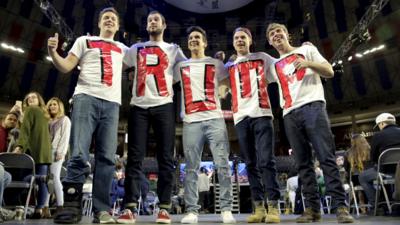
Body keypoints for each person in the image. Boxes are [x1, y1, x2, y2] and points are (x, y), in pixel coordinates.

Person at [266, 23, 354, 223]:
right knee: (303, 163)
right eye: (271, 34)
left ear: (287, 34)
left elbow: (329, 71)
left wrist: (308, 64)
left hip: (313, 106)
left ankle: (340, 206)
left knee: (326, 157)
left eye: (278, 31)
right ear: (270, 41)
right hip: (289, 113)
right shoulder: (272, 65)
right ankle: (312, 208)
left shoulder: (307, 49)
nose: (275, 35)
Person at [47, 7, 127, 224]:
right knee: (79, 153)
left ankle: (102, 210)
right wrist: (54, 53)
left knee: (107, 159)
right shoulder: (84, 40)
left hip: (112, 105)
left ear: (118, 26)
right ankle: (72, 206)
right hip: (85, 98)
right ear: (99, 24)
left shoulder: (123, 48)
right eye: (105, 18)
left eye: (113, 18)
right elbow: (65, 66)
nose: (109, 20)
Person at [118, 11, 186, 224]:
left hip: (164, 105)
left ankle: (164, 207)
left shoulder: (174, 49)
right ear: (146, 26)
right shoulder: (135, 48)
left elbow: (189, 69)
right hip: (138, 107)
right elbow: (117, 64)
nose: (153, 22)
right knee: (134, 158)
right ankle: (129, 208)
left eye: (156, 19)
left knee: (166, 158)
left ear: (164, 25)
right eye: (149, 20)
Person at [174, 26, 236, 224]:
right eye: (191, 37)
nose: (193, 40)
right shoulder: (180, 66)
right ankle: (192, 210)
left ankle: (226, 208)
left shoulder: (215, 63)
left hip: (214, 118)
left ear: (205, 42)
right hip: (191, 121)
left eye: (197, 37)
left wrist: (222, 91)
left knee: (223, 164)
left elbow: (225, 87)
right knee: (191, 167)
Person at [224, 27, 281, 223]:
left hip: (262, 113)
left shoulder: (263, 57)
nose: (240, 40)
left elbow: (283, 63)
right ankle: (259, 207)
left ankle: (273, 206)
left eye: (243, 37)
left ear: (250, 41)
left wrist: (300, 48)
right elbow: (218, 84)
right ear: (233, 43)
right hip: (240, 118)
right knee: (250, 164)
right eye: (236, 37)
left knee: (266, 161)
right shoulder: (229, 66)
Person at [13, 91, 52, 219]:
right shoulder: (45, 114)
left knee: (22, 180)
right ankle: (39, 209)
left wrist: (20, 146)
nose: (30, 99)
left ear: (39, 100)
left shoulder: (31, 110)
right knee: (43, 182)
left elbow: (25, 130)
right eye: (28, 98)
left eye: (33, 97)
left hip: (33, 151)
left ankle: (18, 207)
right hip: (45, 153)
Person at [358, 113, 400, 212]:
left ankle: (377, 206)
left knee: (362, 177)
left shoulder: (378, 135)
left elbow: (374, 158)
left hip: (385, 171)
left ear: (381, 124)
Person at [44, 97, 71, 217]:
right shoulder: (47, 120)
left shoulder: (65, 119)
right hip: (45, 151)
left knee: (54, 178)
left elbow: (65, 137)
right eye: (50, 105)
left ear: (59, 106)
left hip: (56, 151)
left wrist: (61, 152)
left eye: (54, 104)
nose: (52, 107)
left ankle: (60, 206)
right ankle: (45, 207)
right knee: (46, 179)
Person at [345, 133, 373, 213]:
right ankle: (370, 204)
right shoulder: (370, 150)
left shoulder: (348, 153)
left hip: (355, 179)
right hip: (370, 177)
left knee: (356, 185)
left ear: (352, 142)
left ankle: (359, 203)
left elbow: (347, 169)